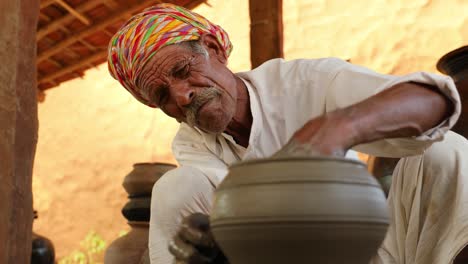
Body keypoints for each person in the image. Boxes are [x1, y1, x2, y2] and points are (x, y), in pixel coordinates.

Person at [107, 4, 468, 264]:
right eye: (162, 96)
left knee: (444, 151)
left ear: (214, 50)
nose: (182, 95)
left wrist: (334, 130)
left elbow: (434, 99)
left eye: (183, 70)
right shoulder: (193, 147)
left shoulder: (305, 82)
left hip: (373, 252)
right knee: (174, 187)